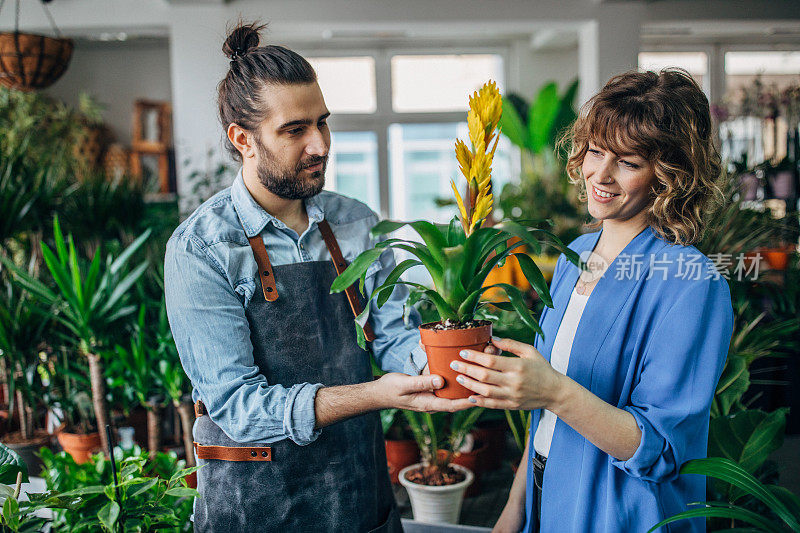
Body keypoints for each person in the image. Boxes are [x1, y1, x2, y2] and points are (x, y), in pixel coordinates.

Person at [164, 22, 471, 532]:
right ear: (243, 139)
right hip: (256, 506)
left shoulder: (356, 221)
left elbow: (392, 336)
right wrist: (375, 395)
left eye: (322, 123)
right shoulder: (203, 248)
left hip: (357, 492)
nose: (320, 144)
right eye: (295, 130)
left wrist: (446, 367)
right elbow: (238, 408)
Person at [451, 69, 734, 532]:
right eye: (595, 151)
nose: (599, 174)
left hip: (616, 512)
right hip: (545, 489)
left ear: (669, 175)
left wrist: (554, 391)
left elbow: (660, 450)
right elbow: (545, 409)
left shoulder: (691, 282)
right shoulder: (575, 256)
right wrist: (514, 508)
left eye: (628, 162)